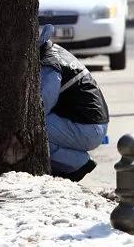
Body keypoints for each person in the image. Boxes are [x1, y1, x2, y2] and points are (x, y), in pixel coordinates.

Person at [39, 24, 109, 182]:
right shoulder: (57, 52)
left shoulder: (50, 66)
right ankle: (76, 161)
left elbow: (42, 106)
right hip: (92, 124)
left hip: (88, 128)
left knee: (33, 126)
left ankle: (77, 163)